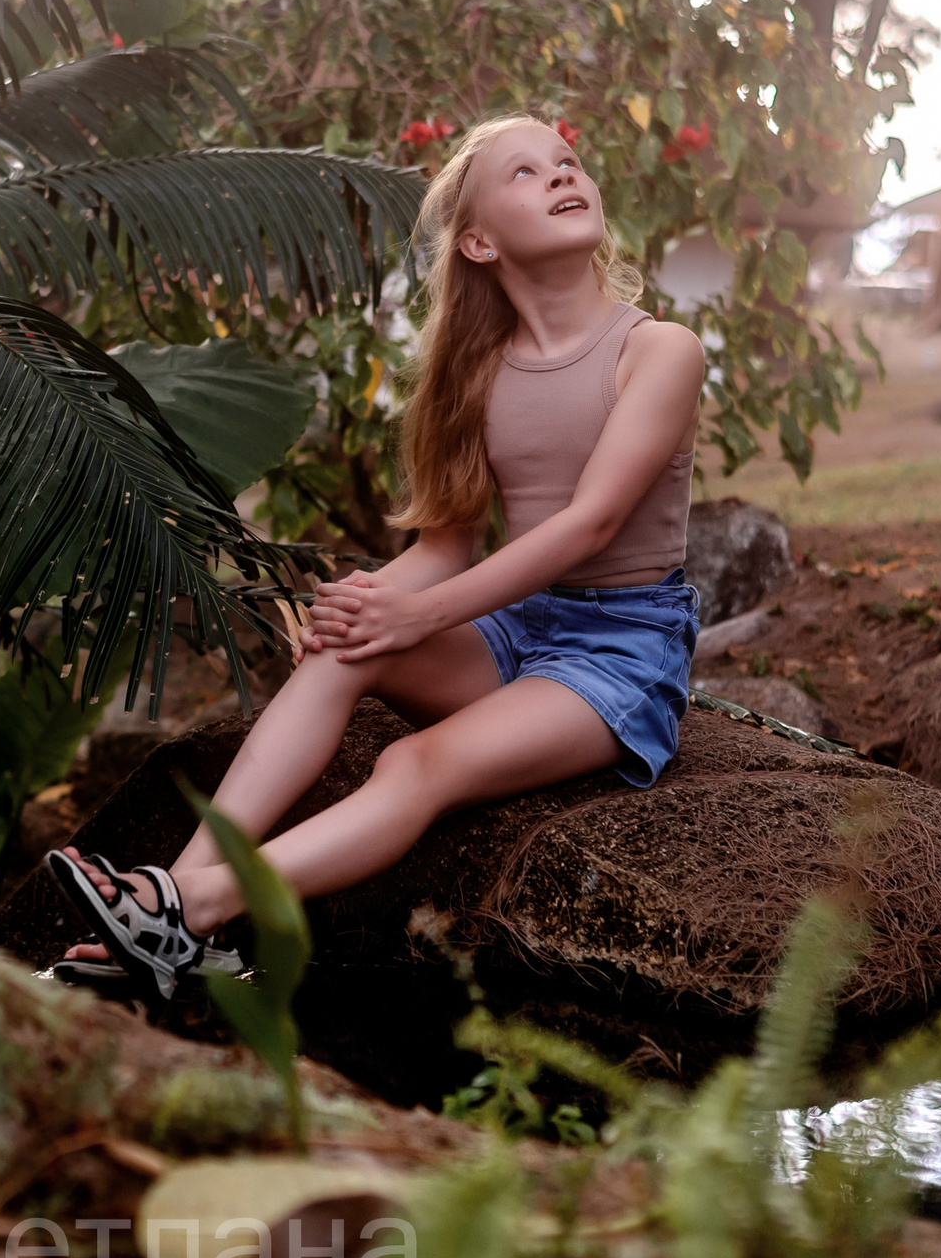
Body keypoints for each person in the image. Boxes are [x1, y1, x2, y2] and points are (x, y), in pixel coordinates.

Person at [46, 113, 708, 1001]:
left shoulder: (658, 350)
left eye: (567, 162)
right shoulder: (478, 372)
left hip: (621, 651)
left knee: (412, 764)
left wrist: (419, 613)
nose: (561, 174)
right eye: (524, 172)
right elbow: (444, 545)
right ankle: (169, 902)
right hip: (520, 631)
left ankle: (199, 906)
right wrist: (359, 605)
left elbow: (590, 525)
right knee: (343, 646)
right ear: (477, 242)